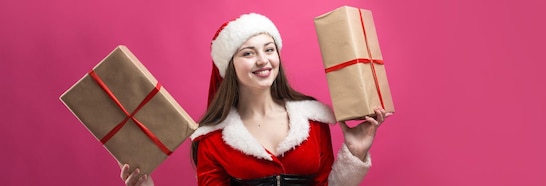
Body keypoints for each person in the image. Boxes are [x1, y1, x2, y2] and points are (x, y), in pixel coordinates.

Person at [120, 13, 392, 186]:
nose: (263, 60)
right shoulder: (212, 139)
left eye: (269, 49)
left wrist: (355, 151)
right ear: (230, 67)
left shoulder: (314, 119)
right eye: (248, 53)